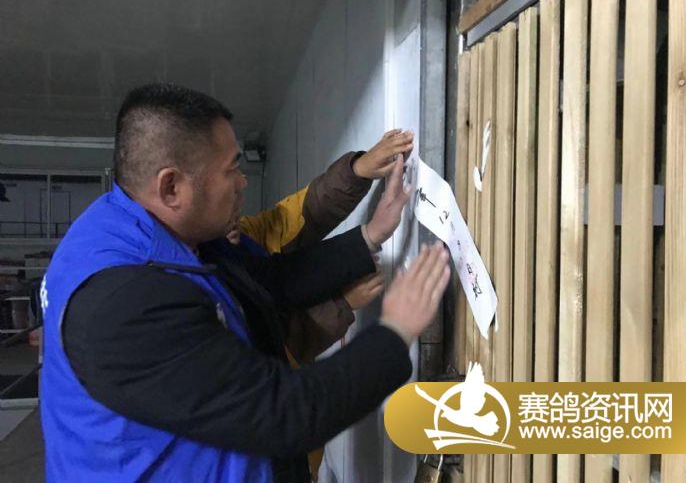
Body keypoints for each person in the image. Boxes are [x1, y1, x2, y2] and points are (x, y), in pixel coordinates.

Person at [40, 83, 450, 483]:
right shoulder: (124, 306)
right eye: (231, 168)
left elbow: (268, 280)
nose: (242, 181)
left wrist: (369, 235)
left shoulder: (164, 230)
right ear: (171, 187)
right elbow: (286, 414)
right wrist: (394, 332)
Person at [232, 132, 414, 480]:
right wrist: (350, 309)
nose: (242, 182)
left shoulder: (226, 239)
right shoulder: (188, 299)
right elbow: (280, 349)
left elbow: (285, 227)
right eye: (227, 171)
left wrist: (356, 172)